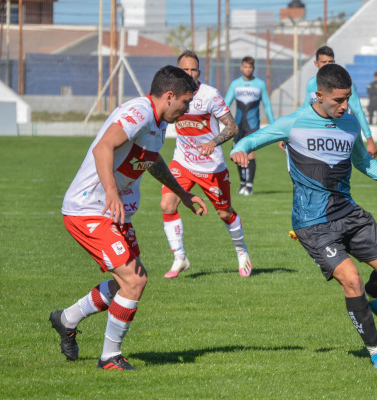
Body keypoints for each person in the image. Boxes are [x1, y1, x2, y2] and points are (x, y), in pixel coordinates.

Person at [231, 64, 377, 369]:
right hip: (313, 223)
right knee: (351, 280)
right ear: (319, 94)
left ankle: (374, 297)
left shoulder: (349, 124)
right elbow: (250, 140)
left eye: (347, 98)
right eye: (338, 100)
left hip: (349, 213)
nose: (345, 105)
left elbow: (365, 164)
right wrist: (240, 150)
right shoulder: (294, 122)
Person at [52, 66, 207, 370]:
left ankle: (66, 318)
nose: (187, 109)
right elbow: (103, 148)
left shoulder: (159, 123)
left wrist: (184, 195)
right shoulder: (140, 111)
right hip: (89, 209)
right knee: (134, 281)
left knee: (129, 283)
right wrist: (111, 191)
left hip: (112, 210)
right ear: (170, 95)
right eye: (185, 103)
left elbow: (152, 161)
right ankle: (110, 358)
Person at [161, 50, 253, 279]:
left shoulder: (209, 95)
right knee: (167, 204)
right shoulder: (169, 95)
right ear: (177, 71)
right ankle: (180, 257)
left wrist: (214, 141)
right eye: (185, 70)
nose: (190, 74)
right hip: (182, 162)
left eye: (194, 70)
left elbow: (232, 127)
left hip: (211, 167)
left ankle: (242, 252)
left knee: (224, 214)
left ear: (199, 72)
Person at [303, 46, 377, 158]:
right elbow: (305, 109)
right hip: (317, 135)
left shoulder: (343, 85)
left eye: (331, 62)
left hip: (339, 133)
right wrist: (289, 133)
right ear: (316, 64)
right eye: (324, 62)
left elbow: (358, 111)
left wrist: (370, 140)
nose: (328, 65)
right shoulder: (311, 84)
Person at [224, 56, 276, 196]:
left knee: (251, 155)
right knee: (237, 154)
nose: (248, 69)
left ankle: (249, 186)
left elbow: (267, 106)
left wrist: (274, 125)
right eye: (245, 67)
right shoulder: (235, 84)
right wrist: (221, 120)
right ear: (241, 68)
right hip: (238, 126)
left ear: (253, 68)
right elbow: (225, 104)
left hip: (253, 126)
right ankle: (242, 184)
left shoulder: (260, 84)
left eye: (250, 67)